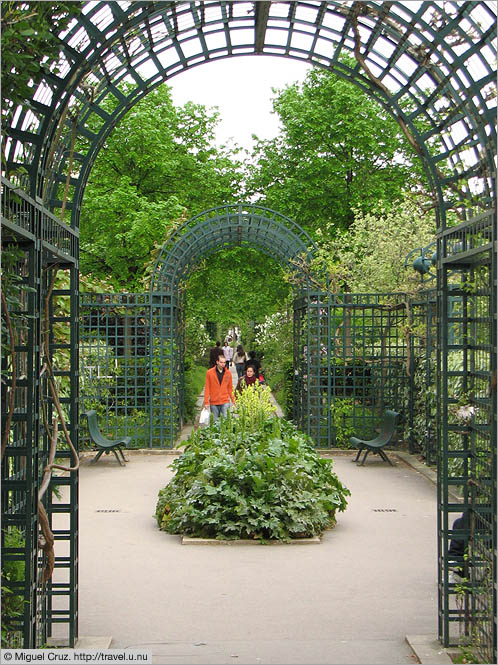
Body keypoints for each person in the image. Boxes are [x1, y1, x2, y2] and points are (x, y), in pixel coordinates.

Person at [203, 354, 235, 420]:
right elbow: (207, 388)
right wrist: (206, 402)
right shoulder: (209, 373)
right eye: (221, 362)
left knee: (226, 421)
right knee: (214, 422)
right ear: (217, 362)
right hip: (214, 401)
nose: (223, 364)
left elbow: (230, 388)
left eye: (224, 362)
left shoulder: (228, 373)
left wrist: (233, 400)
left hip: (225, 401)